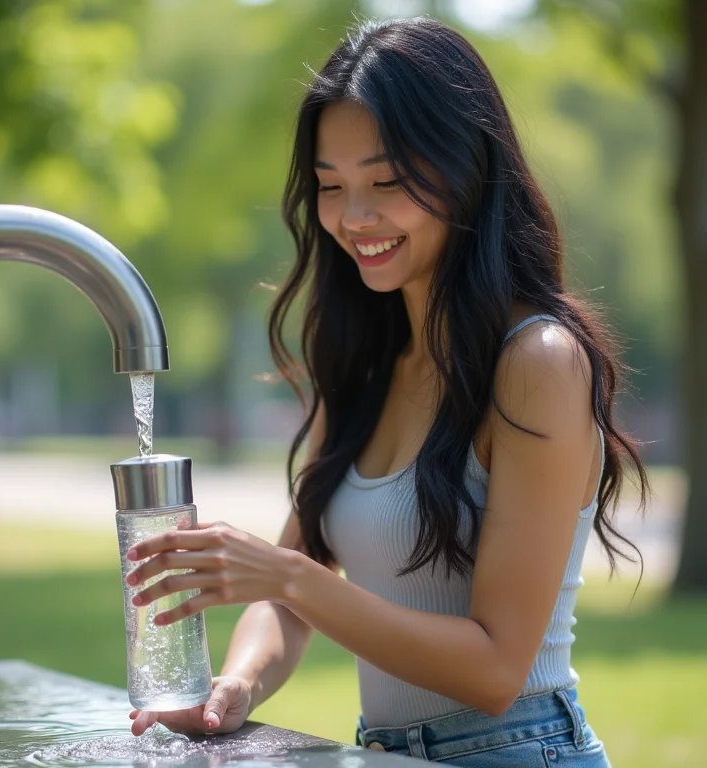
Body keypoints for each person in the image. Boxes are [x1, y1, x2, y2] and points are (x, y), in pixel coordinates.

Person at [123, 16, 648, 767]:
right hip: (385, 753)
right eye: (330, 187)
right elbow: (286, 600)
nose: (353, 217)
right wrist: (234, 685)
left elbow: (497, 669)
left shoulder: (538, 362)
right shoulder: (367, 361)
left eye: (387, 181)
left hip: (520, 750)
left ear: (464, 168)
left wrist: (292, 578)